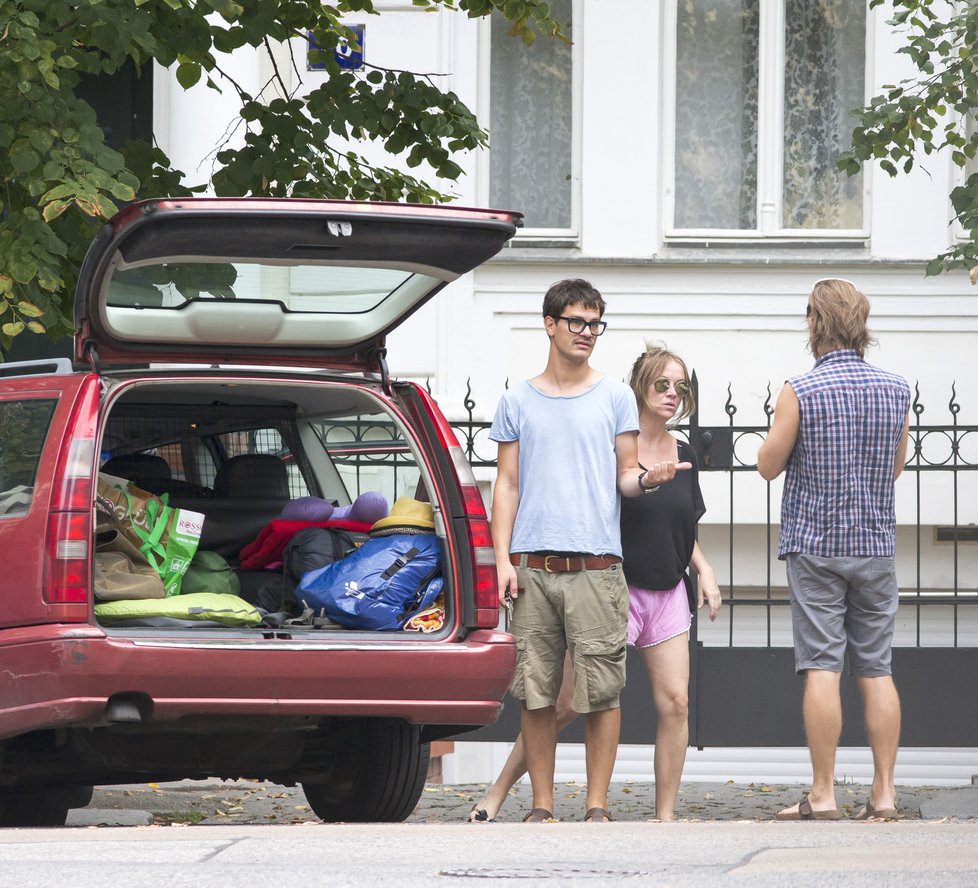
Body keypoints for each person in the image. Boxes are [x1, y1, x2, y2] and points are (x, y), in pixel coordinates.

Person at [470, 343, 721, 823]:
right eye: (662, 384)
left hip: (667, 589)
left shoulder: (684, 452)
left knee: (676, 702)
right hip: (613, 585)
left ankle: (663, 816)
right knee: (564, 704)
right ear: (641, 387)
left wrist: (703, 568)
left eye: (681, 387)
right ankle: (501, 790)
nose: (672, 394)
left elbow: (681, 526)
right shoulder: (610, 444)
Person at [487, 279, 678, 824]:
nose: (587, 333)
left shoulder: (616, 395)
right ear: (550, 324)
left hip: (596, 566)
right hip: (532, 566)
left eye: (595, 323)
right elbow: (506, 484)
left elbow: (626, 475)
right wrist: (503, 560)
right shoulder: (516, 400)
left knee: (602, 692)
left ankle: (597, 806)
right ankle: (542, 806)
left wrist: (651, 479)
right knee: (536, 692)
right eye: (577, 321)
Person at [757, 278, 910, 822]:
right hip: (874, 544)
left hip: (816, 545)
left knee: (823, 665)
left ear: (814, 323)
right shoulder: (896, 390)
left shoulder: (800, 389)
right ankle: (885, 795)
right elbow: (894, 469)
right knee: (876, 667)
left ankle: (823, 795)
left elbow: (768, 465)